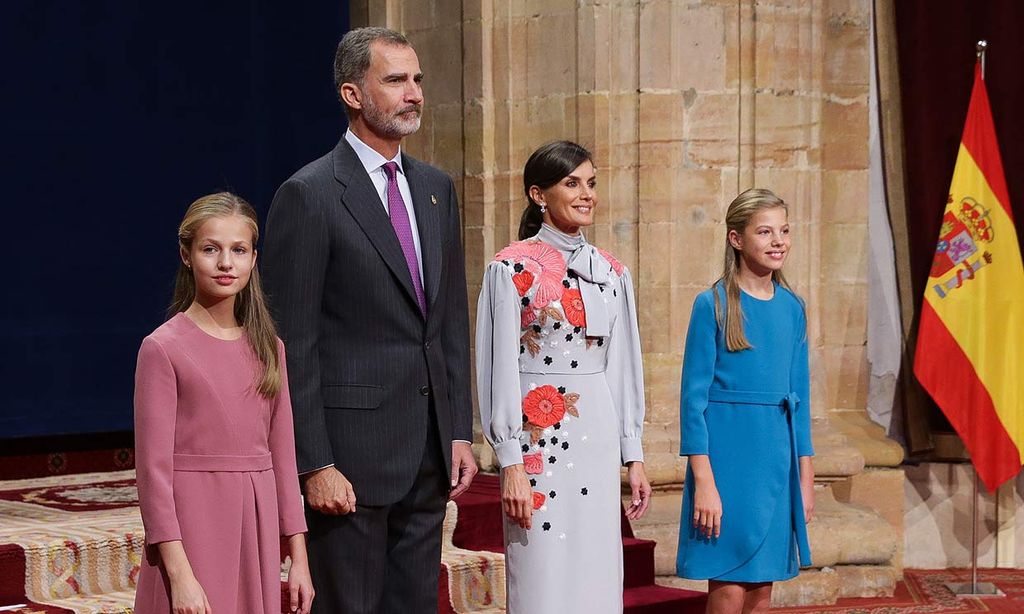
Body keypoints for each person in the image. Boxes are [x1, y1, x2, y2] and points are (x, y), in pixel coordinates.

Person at [261, 26, 477, 614]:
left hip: (429, 453)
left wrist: (458, 429)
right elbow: (292, 345)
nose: (414, 94)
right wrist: (315, 464)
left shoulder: (436, 188)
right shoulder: (309, 194)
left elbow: (448, 321)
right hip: (350, 461)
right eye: (396, 81)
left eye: (418, 80)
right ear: (353, 95)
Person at [475, 140, 652, 614]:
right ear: (539, 194)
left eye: (590, 182)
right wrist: (509, 460)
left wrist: (632, 454)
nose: (586, 193)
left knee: (596, 573)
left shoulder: (613, 273)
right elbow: (497, 368)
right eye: (572, 183)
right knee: (543, 574)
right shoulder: (510, 268)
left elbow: (623, 367)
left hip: (596, 438)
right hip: (538, 444)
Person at [133, 192, 313, 614]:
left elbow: (284, 460)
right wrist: (179, 574)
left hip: (256, 524)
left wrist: (299, 559)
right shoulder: (163, 348)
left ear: (254, 258)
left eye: (239, 250)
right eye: (210, 249)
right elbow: (152, 474)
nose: (226, 263)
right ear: (186, 254)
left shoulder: (270, 348)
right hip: (194, 527)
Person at [675, 188, 815, 613]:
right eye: (766, 232)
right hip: (727, 467)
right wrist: (704, 482)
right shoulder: (713, 304)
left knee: (762, 588)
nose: (779, 241)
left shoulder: (793, 308)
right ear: (737, 239)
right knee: (731, 584)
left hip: (775, 462)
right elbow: (692, 403)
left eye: (784, 231)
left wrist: (805, 482)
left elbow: (801, 402)